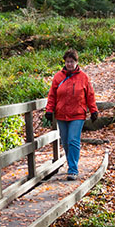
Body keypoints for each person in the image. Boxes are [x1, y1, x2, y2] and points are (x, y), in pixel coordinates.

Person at [44, 49, 98, 181]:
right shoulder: (58, 77)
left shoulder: (83, 77)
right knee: (65, 142)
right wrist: (49, 110)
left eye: (72, 61)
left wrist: (93, 110)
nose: (69, 64)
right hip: (61, 114)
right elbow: (52, 95)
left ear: (76, 62)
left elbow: (90, 95)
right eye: (67, 61)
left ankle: (73, 169)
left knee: (73, 140)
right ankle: (71, 164)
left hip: (77, 114)